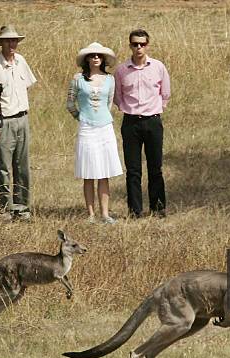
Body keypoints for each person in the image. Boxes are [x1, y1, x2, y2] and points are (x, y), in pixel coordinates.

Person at [0, 25, 36, 221]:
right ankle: (4, 209)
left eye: (14, 41)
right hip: (3, 122)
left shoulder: (21, 61)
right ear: (0, 42)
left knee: (23, 166)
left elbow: (26, 86)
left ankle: (22, 207)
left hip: (22, 119)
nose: (12, 44)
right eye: (8, 41)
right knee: (3, 167)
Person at [114, 29, 171, 218]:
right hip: (131, 123)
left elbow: (165, 93)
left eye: (142, 44)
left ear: (148, 45)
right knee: (133, 170)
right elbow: (117, 97)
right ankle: (135, 211)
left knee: (155, 167)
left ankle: (158, 207)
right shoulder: (122, 70)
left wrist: (154, 109)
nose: (139, 47)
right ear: (130, 45)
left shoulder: (158, 67)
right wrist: (130, 110)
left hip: (153, 121)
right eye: (135, 44)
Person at [67, 42, 123, 224]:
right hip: (87, 128)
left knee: (104, 172)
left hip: (105, 127)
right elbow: (70, 103)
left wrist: (101, 118)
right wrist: (81, 117)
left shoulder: (110, 79)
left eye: (99, 55)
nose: (96, 58)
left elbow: (108, 103)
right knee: (89, 172)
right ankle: (90, 213)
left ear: (104, 59)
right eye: (92, 55)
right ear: (87, 59)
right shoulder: (78, 79)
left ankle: (105, 213)